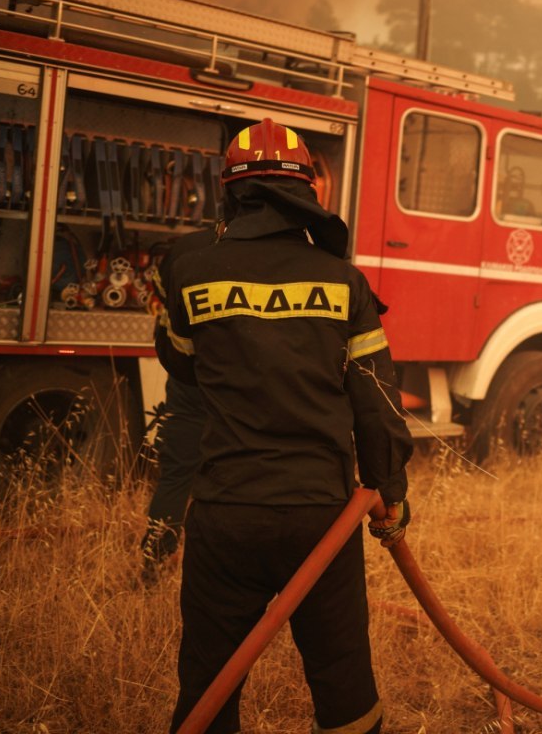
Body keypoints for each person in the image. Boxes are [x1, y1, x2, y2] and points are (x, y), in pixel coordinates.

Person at [159, 118, 414, 734]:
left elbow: (183, 367)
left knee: (209, 684)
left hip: (224, 512)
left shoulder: (190, 275)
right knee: (343, 682)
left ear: (231, 192)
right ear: (307, 191)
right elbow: (376, 403)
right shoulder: (343, 282)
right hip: (320, 519)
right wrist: (391, 494)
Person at [139, 228, 217, 585]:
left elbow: (160, 308)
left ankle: (154, 562)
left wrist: (179, 364)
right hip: (242, 386)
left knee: (176, 473)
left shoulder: (186, 248)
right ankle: (214, 573)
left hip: (187, 378)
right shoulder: (273, 248)